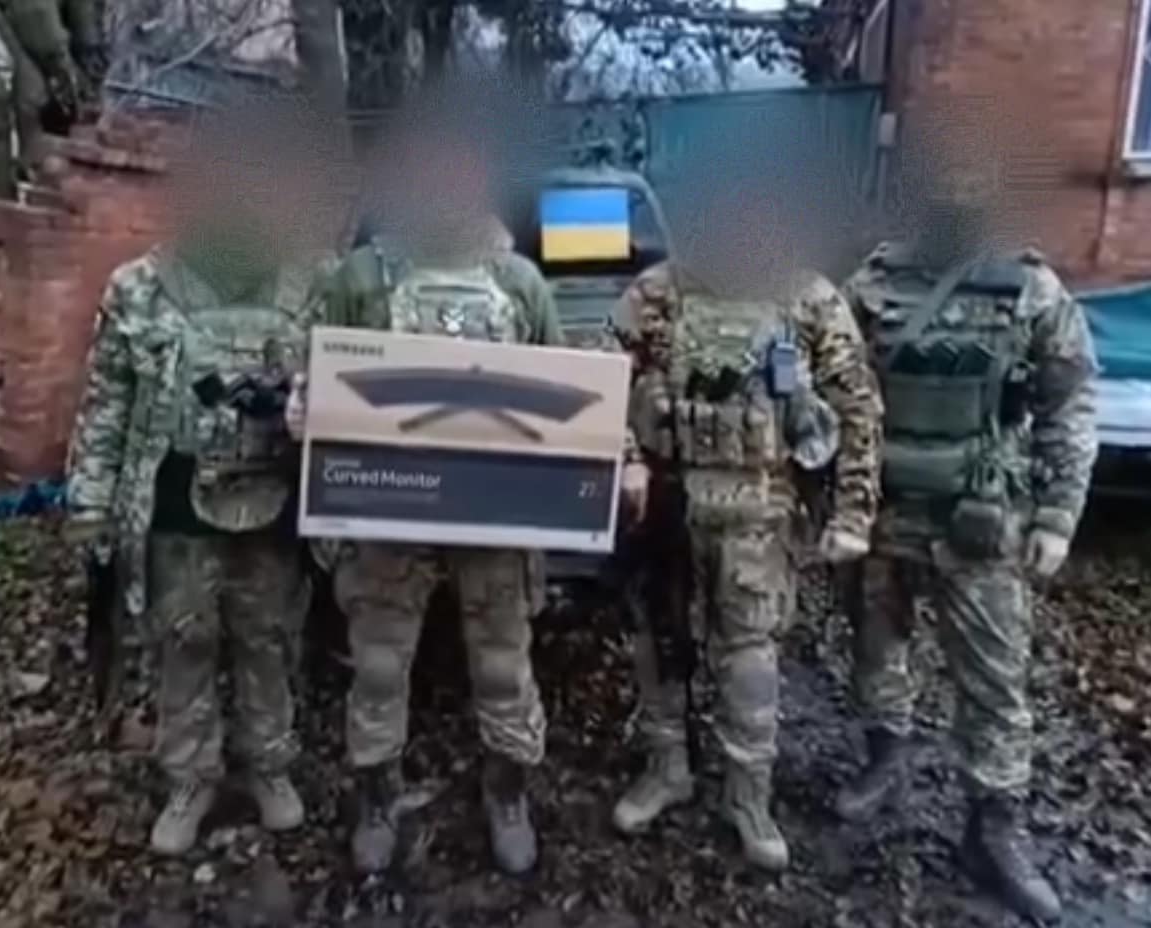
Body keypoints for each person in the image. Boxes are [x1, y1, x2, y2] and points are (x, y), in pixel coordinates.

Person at [65, 99, 340, 856]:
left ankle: (270, 765)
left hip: (272, 502)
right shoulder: (139, 289)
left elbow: (349, 393)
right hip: (174, 509)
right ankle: (190, 778)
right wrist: (90, 506)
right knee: (182, 641)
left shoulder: (313, 285)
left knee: (267, 638)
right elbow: (106, 404)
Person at [289, 118, 563, 876]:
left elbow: (564, 395)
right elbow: (315, 371)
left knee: (503, 668)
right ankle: (377, 800)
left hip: (494, 516)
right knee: (378, 669)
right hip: (388, 511)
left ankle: (508, 796)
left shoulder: (520, 282)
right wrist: (304, 408)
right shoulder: (360, 277)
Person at [837, 155, 1098, 921]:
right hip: (884, 513)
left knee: (993, 680)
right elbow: (838, 389)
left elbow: (1068, 404)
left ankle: (993, 830)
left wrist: (1056, 516)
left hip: (978, 520)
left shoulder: (1029, 288)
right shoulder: (872, 283)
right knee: (874, 649)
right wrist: (835, 501)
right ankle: (885, 756)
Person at [608, 226, 883, 871]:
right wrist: (628, 458)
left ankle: (748, 796)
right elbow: (602, 380)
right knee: (658, 638)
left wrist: (853, 512)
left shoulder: (807, 297)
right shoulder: (658, 290)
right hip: (669, 502)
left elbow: (858, 407)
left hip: (760, 507)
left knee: (750, 654)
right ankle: (667, 768)